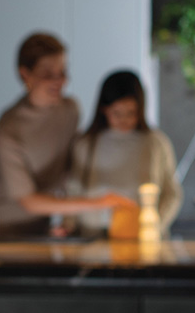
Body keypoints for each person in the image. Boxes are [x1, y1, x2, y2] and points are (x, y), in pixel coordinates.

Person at [0, 32, 133, 238]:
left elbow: (71, 168)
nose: (59, 81)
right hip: (5, 230)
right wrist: (99, 203)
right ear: (25, 75)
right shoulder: (9, 129)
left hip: (43, 228)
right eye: (48, 73)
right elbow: (29, 201)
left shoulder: (69, 110)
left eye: (63, 72)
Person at [69, 70, 183, 237]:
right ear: (103, 109)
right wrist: (68, 224)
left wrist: (155, 226)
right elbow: (73, 189)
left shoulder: (155, 142)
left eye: (131, 113)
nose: (124, 120)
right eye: (117, 113)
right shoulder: (85, 143)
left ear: (141, 109)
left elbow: (172, 193)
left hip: (140, 236)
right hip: (92, 236)